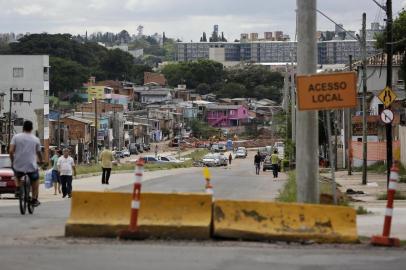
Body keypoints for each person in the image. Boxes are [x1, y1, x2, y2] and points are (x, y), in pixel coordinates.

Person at [9, 120, 43, 206]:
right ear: (31, 128)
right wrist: (41, 161)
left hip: (18, 164)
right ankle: (34, 199)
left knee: (17, 174)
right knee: (35, 180)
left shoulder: (16, 137)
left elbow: (11, 151)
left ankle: (17, 188)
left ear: (23, 128)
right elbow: (39, 153)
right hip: (31, 165)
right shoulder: (36, 139)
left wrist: (13, 161)